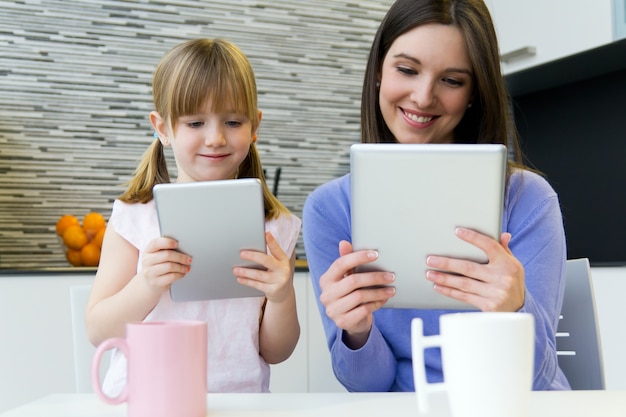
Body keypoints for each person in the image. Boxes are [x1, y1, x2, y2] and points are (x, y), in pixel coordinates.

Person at [302, 0, 570, 392]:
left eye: (452, 80)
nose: (423, 97)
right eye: (407, 70)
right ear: (379, 69)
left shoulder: (529, 200)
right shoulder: (330, 210)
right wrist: (356, 331)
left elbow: (534, 380)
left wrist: (514, 310)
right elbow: (366, 387)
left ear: (475, 91)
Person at [86, 38, 301, 393]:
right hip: (145, 403)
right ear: (163, 128)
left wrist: (281, 297)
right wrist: (148, 283)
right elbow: (98, 331)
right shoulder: (134, 218)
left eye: (232, 121)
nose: (215, 138)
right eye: (196, 123)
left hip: (242, 402)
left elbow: (276, 351)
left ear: (254, 126)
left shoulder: (277, 228)